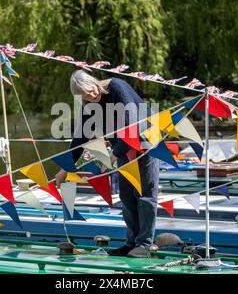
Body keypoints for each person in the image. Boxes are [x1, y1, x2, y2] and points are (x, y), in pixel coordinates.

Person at [55, 70, 160, 258]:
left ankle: (144, 244)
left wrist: (112, 155)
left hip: (146, 143)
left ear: (95, 83)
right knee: (127, 196)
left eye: (92, 91)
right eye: (86, 96)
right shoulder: (89, 105)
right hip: (122, 148)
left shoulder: (117, 88)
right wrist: (64, 169)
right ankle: (131, 243)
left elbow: (133, 126)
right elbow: (80, 138)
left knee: (145, 195)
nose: (92, 96)